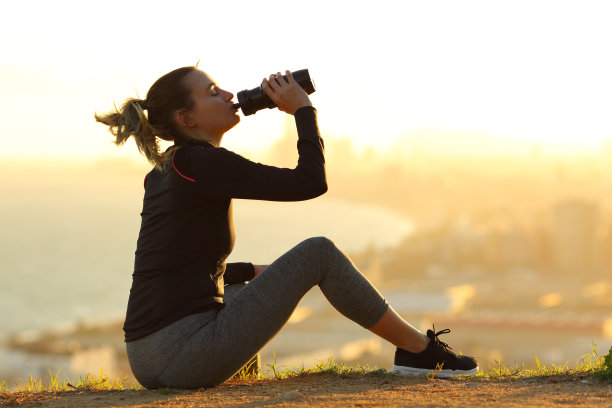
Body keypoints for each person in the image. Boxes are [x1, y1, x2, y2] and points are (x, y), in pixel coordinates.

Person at [95, 66, 478, 389]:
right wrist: (303, 111)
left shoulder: (170, 167)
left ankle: (238, 385)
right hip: (180, 355)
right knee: (318, 253)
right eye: (213, 92)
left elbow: (176, 263)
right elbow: (309, 183)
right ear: (187, 118)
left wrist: (256, 273)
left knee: (241, 285)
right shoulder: (201, 163)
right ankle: (419, 353)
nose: (229, 94)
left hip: (149, 354)